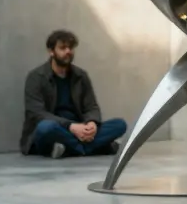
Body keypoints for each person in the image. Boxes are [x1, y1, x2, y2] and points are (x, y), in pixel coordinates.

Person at [20, 30, 126, 158]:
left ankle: (68, 149)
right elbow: (37, 113)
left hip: (80, 128)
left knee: (120, 124)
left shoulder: (81, 76)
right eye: (62, 48)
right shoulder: (36, 77)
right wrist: (70, 126)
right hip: (57, 128)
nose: (68, 51)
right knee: (45, 128)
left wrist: (92, 123)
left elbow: (91, 107)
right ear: (51, 51)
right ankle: (94, 148)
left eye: (70, 48)